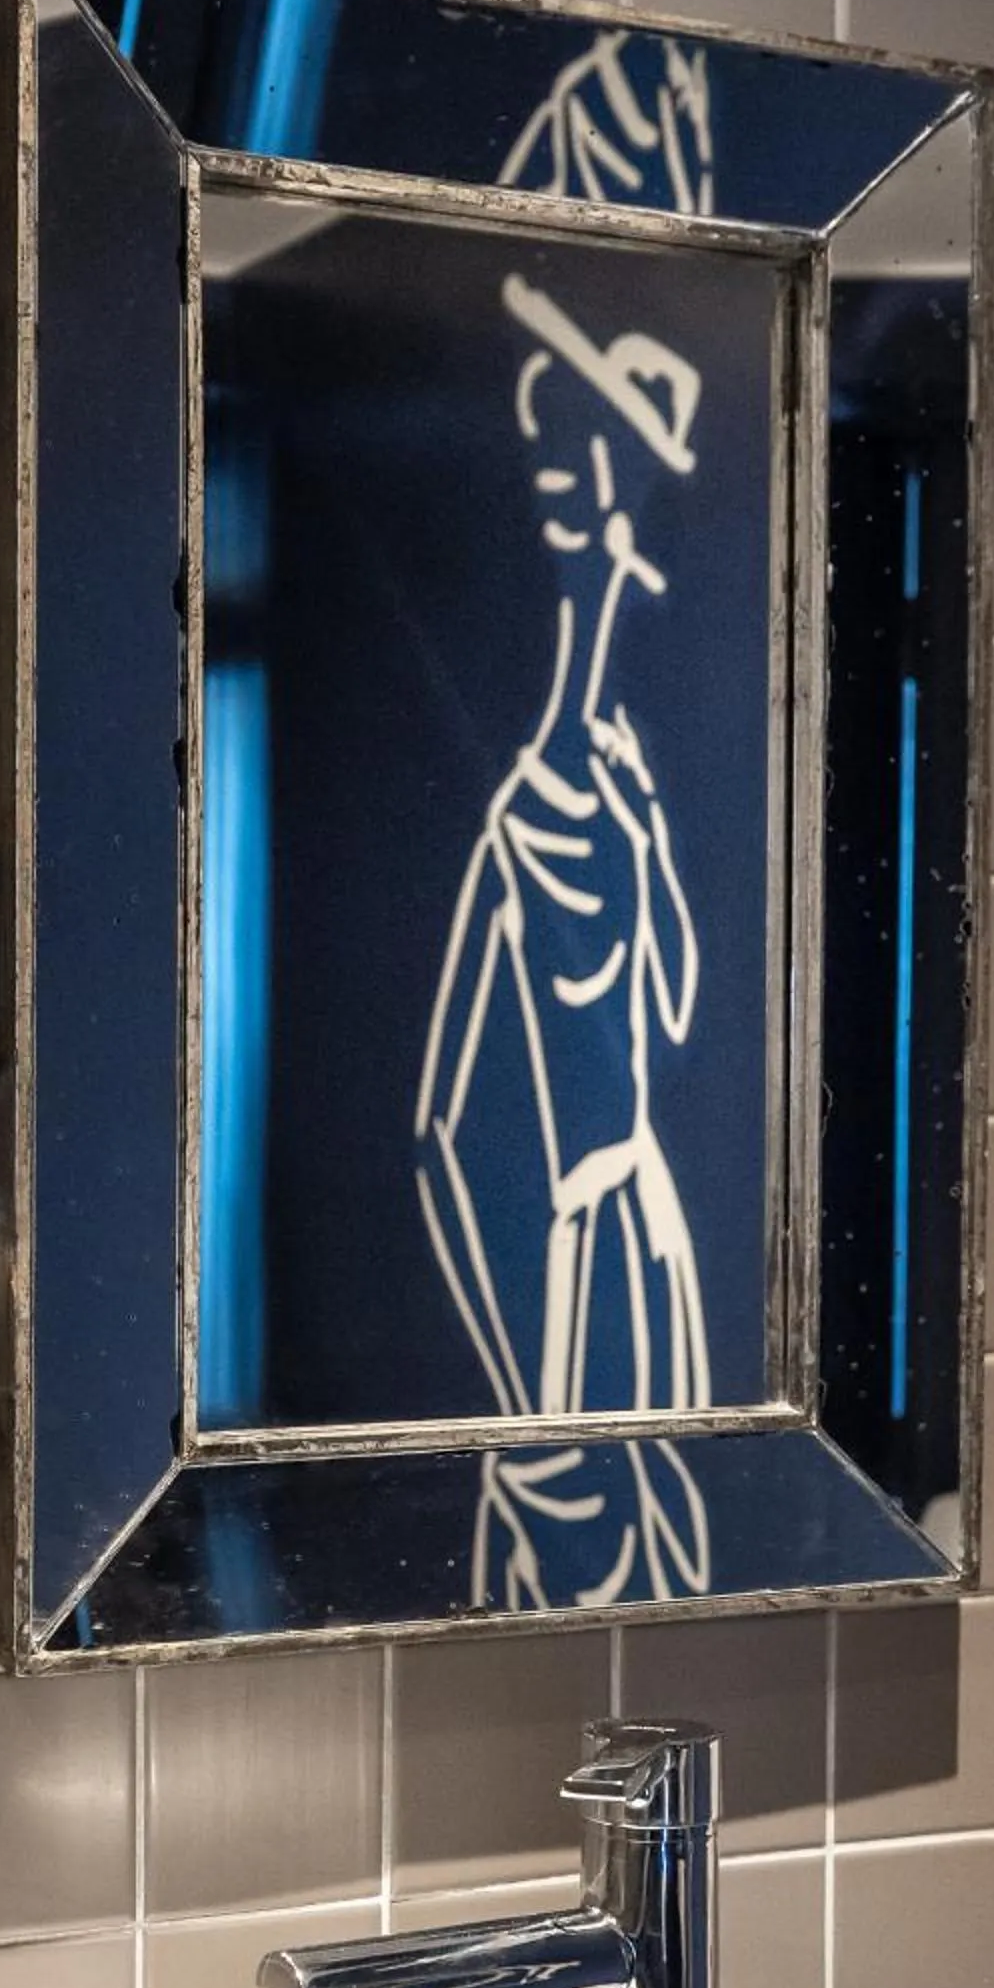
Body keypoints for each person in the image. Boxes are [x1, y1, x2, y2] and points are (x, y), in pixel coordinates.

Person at [415, 269, 712, 1608]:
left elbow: (672, 1004)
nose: (573, 490)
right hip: (572, 1270)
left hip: (640, 1242)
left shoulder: (622, 774)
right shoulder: (518, 823)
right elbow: (438, 1135)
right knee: (578, 1563)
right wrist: (529, 1418)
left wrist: (647, 833)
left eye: (593, 455)